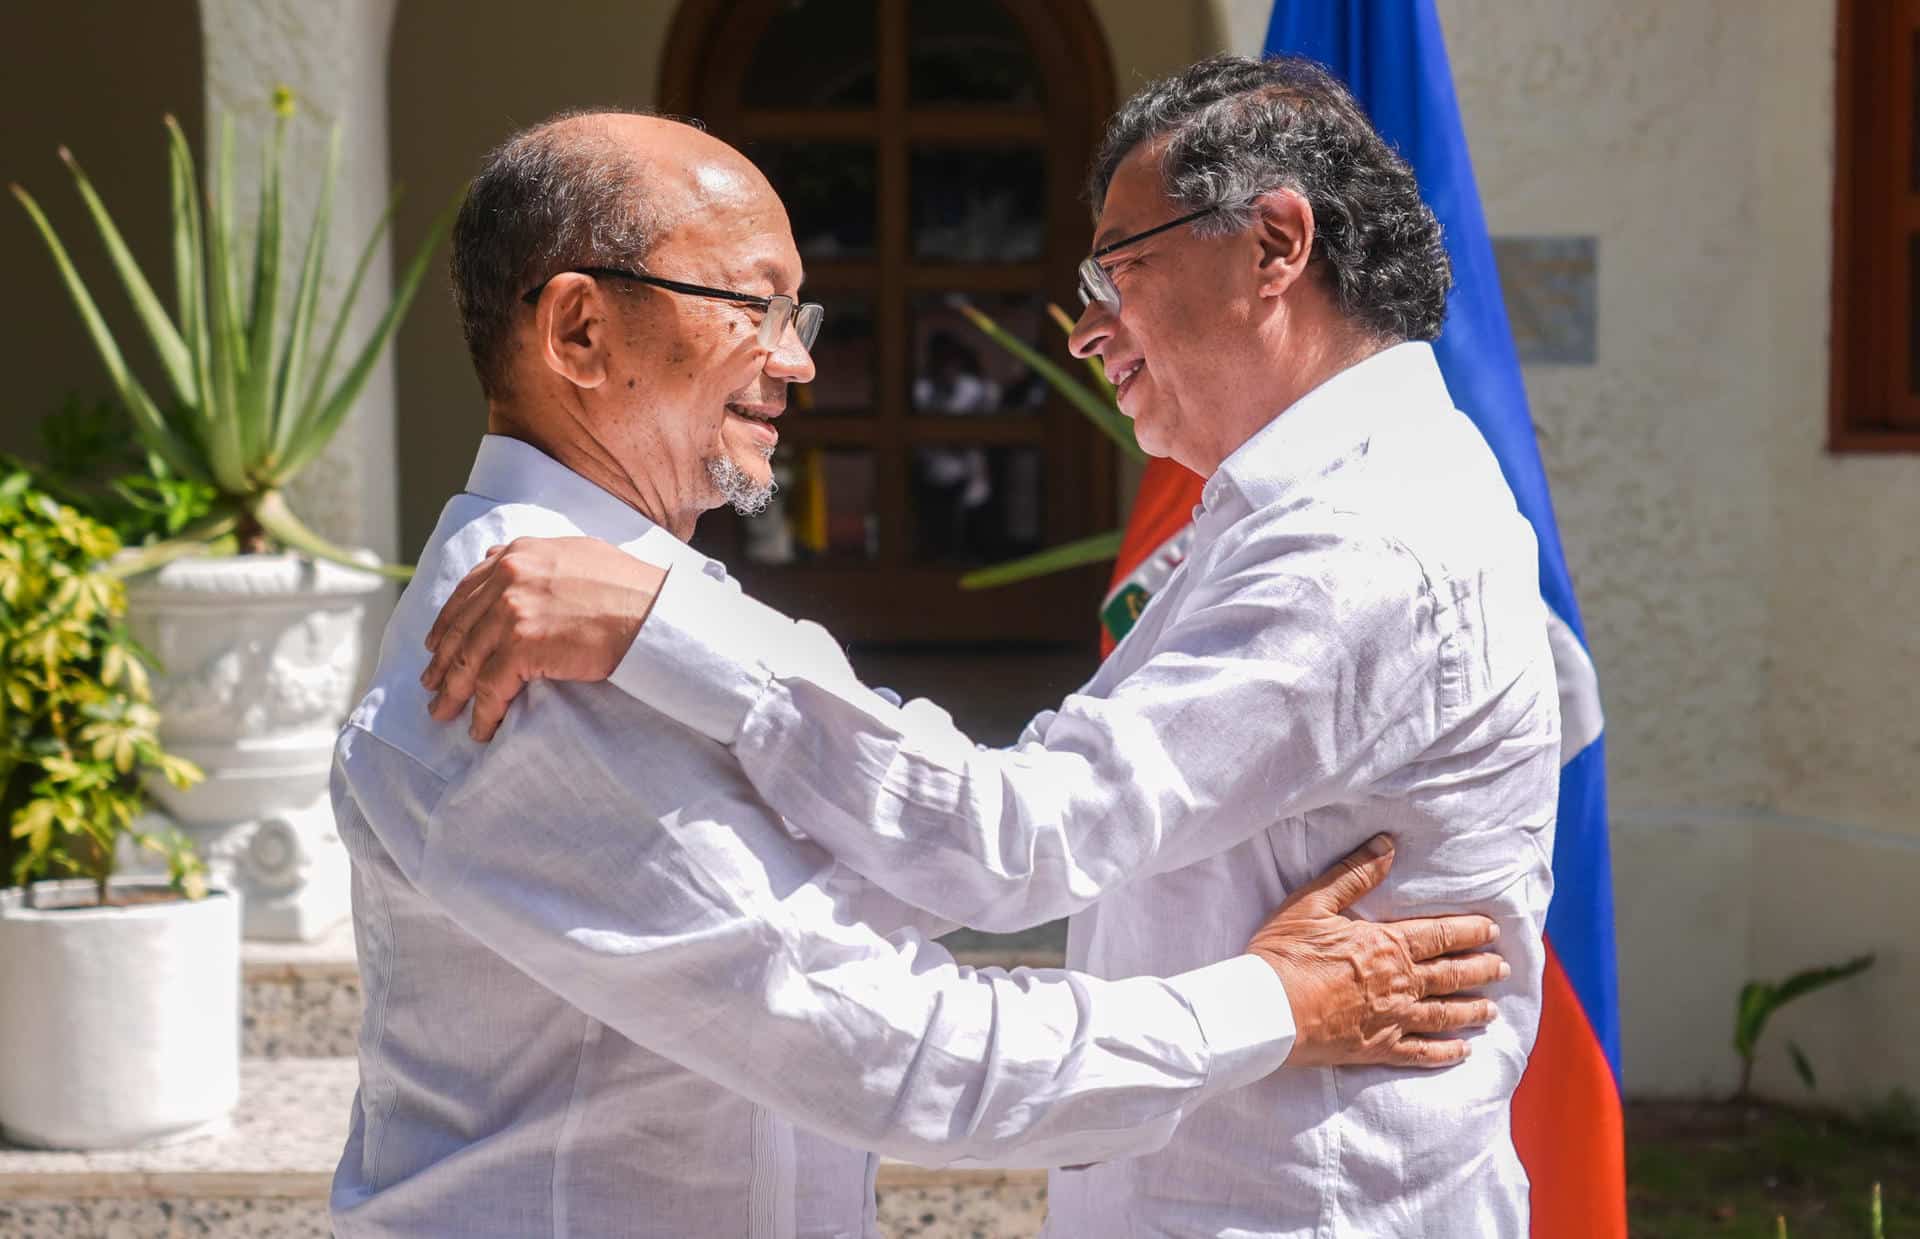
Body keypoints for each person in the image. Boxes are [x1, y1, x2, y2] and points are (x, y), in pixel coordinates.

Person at [425, 55, 1563, 1237]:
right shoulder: (1319, 509)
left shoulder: (1357, 539)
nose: (1088, 330)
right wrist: (1274, 1000)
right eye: (754, 308)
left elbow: (1024, 841)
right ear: (577, 329)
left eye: (1120, 266)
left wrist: (669, 630)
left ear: (1276, 246)